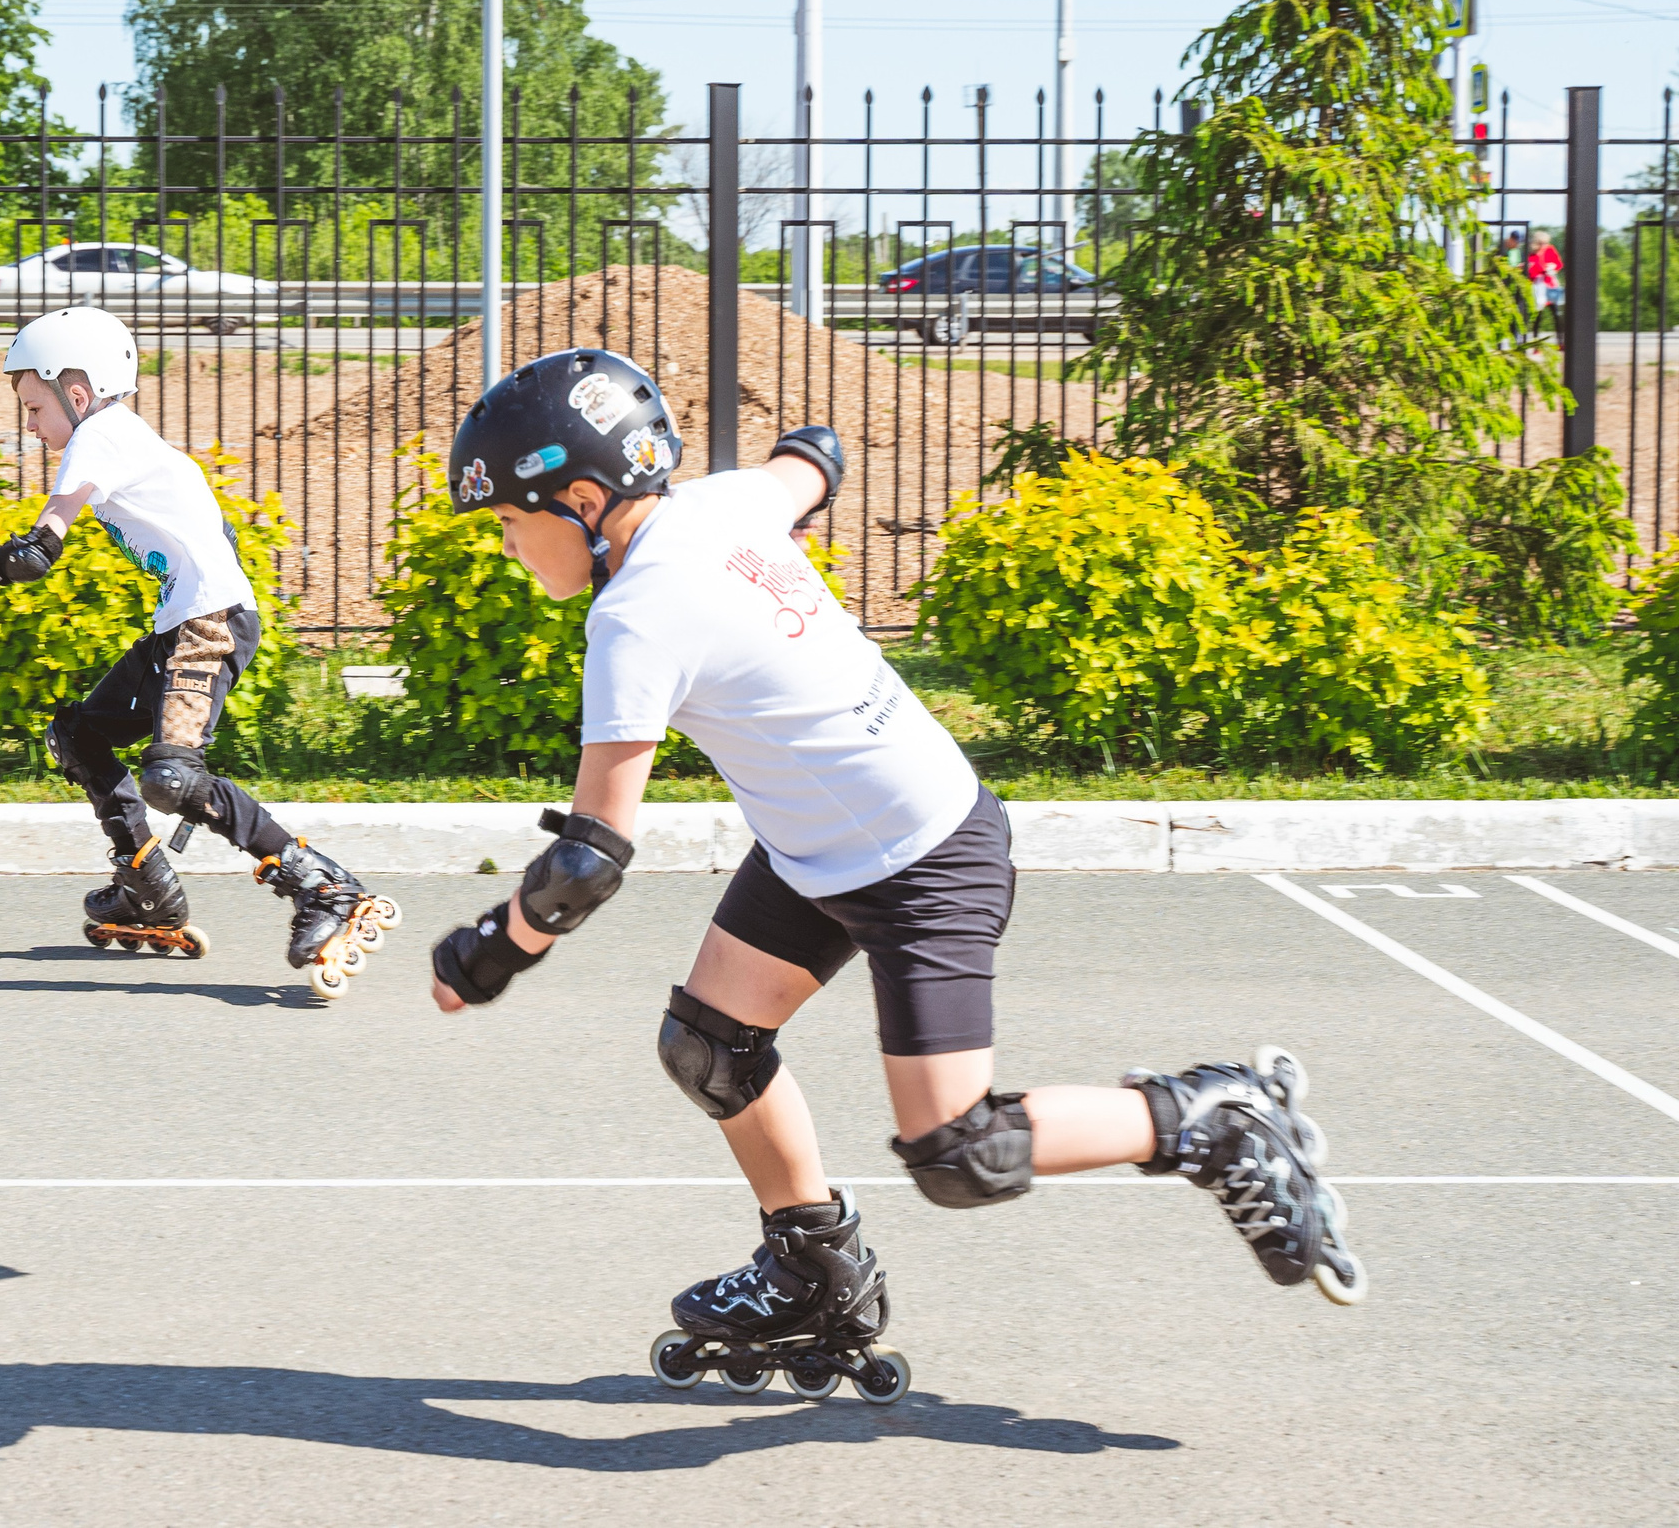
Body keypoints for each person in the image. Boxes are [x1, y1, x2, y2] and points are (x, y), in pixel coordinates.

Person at [425, 347, 1364, 1399]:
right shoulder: (721, 505)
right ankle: (810, 1267)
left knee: (958, 1154)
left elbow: (589, 859)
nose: (507, 547)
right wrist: (790, 513)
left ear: (586, 501)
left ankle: (1210, 1119)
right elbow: (810, 459)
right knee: (708, 1046)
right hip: (821, 847)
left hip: (926, 862)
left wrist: (491, 953)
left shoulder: (635, 616)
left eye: (510, 521)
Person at [0, 306, 396, 999]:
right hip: (187, 624)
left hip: (208, 623)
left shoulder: (99, 437)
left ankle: (322, 884)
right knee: (79, 733)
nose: (29, 425)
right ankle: (146, 884)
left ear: (77, 396)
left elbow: (34, 552)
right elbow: (212, 529)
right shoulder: (132, 441)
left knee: (171, 776)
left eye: (34, 405)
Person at [1526, 228, 1565, 339]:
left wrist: (1553, 267)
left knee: (1557, 314)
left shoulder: (1550, 250)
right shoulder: (1532, 256)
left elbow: (1559, 264)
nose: (1544, 245)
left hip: (1551, 285)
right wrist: (1539, 271)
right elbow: (1530, 273)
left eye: (1546, 243)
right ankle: (1536, 342)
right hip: (1539, 287)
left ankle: (1561, 341)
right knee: (1538, 316)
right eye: (1542, 243)